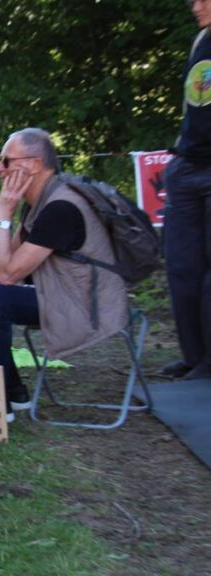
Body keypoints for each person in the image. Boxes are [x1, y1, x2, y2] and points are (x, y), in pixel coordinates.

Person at [0, 128, 128, 422]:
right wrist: (9, 218)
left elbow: (7, 278)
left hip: (87, 305)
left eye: (5, 160)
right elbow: (5, 266)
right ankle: (11, 389)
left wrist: (3, 215)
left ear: (33, 164)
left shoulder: (60, 206)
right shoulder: (40, 201)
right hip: (58, 290)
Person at [160, 0, 211, 381]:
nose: (196, 6)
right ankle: (193, 357)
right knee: (181, 267)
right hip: (187, 167)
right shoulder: (201, 41)